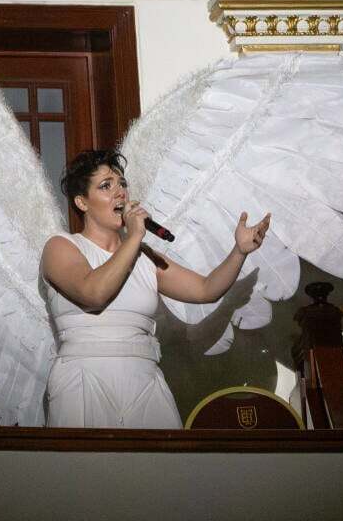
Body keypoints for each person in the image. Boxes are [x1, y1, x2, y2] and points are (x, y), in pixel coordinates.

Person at [41, 149, 271, 428]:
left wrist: (239, 251)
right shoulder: (61, 246)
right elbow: (94, 295)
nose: (120, 193)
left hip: (144, 379)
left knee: (158, 457)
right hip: (83, 377)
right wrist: (135, 236)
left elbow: (205, 289)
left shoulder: (144, 256)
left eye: (122, 184)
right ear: (82, 202)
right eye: (106, 186)